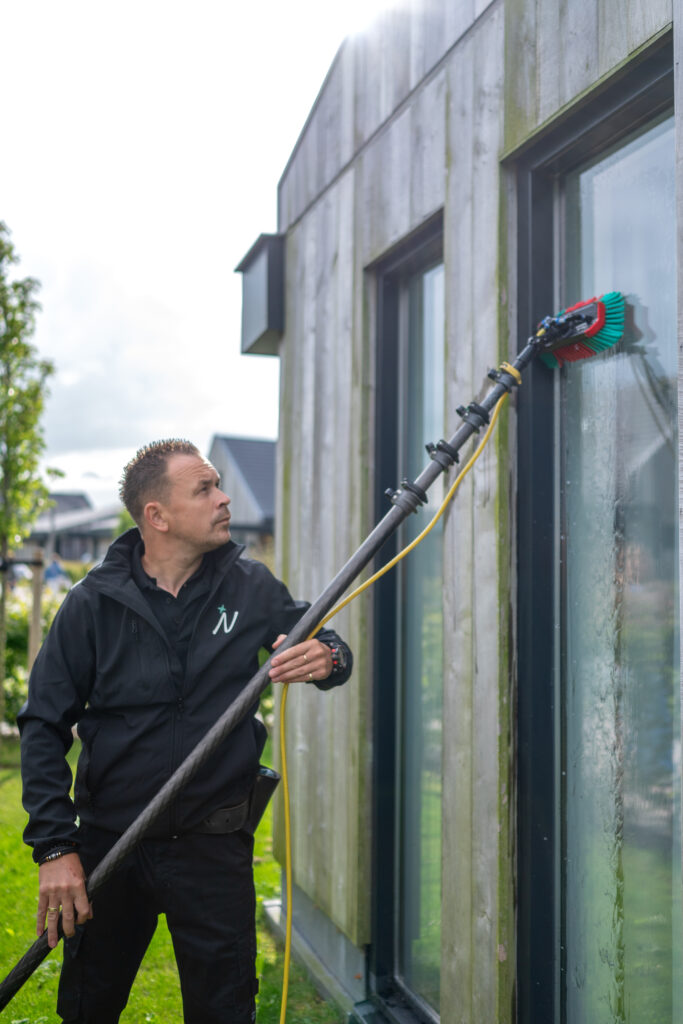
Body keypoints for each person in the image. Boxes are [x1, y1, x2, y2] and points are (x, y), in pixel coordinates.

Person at [18, 439, 352, 1024]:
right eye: (205, 489)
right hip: (110, 845)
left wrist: (328, 656)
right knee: (88, 1007)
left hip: (213, 846)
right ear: (157, 516)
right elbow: (43, 725)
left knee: (224, 1011)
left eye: (219, 484)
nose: (224, 499)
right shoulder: (91, 604)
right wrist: (54, 846)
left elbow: (319, 639)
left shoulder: (250, 587)